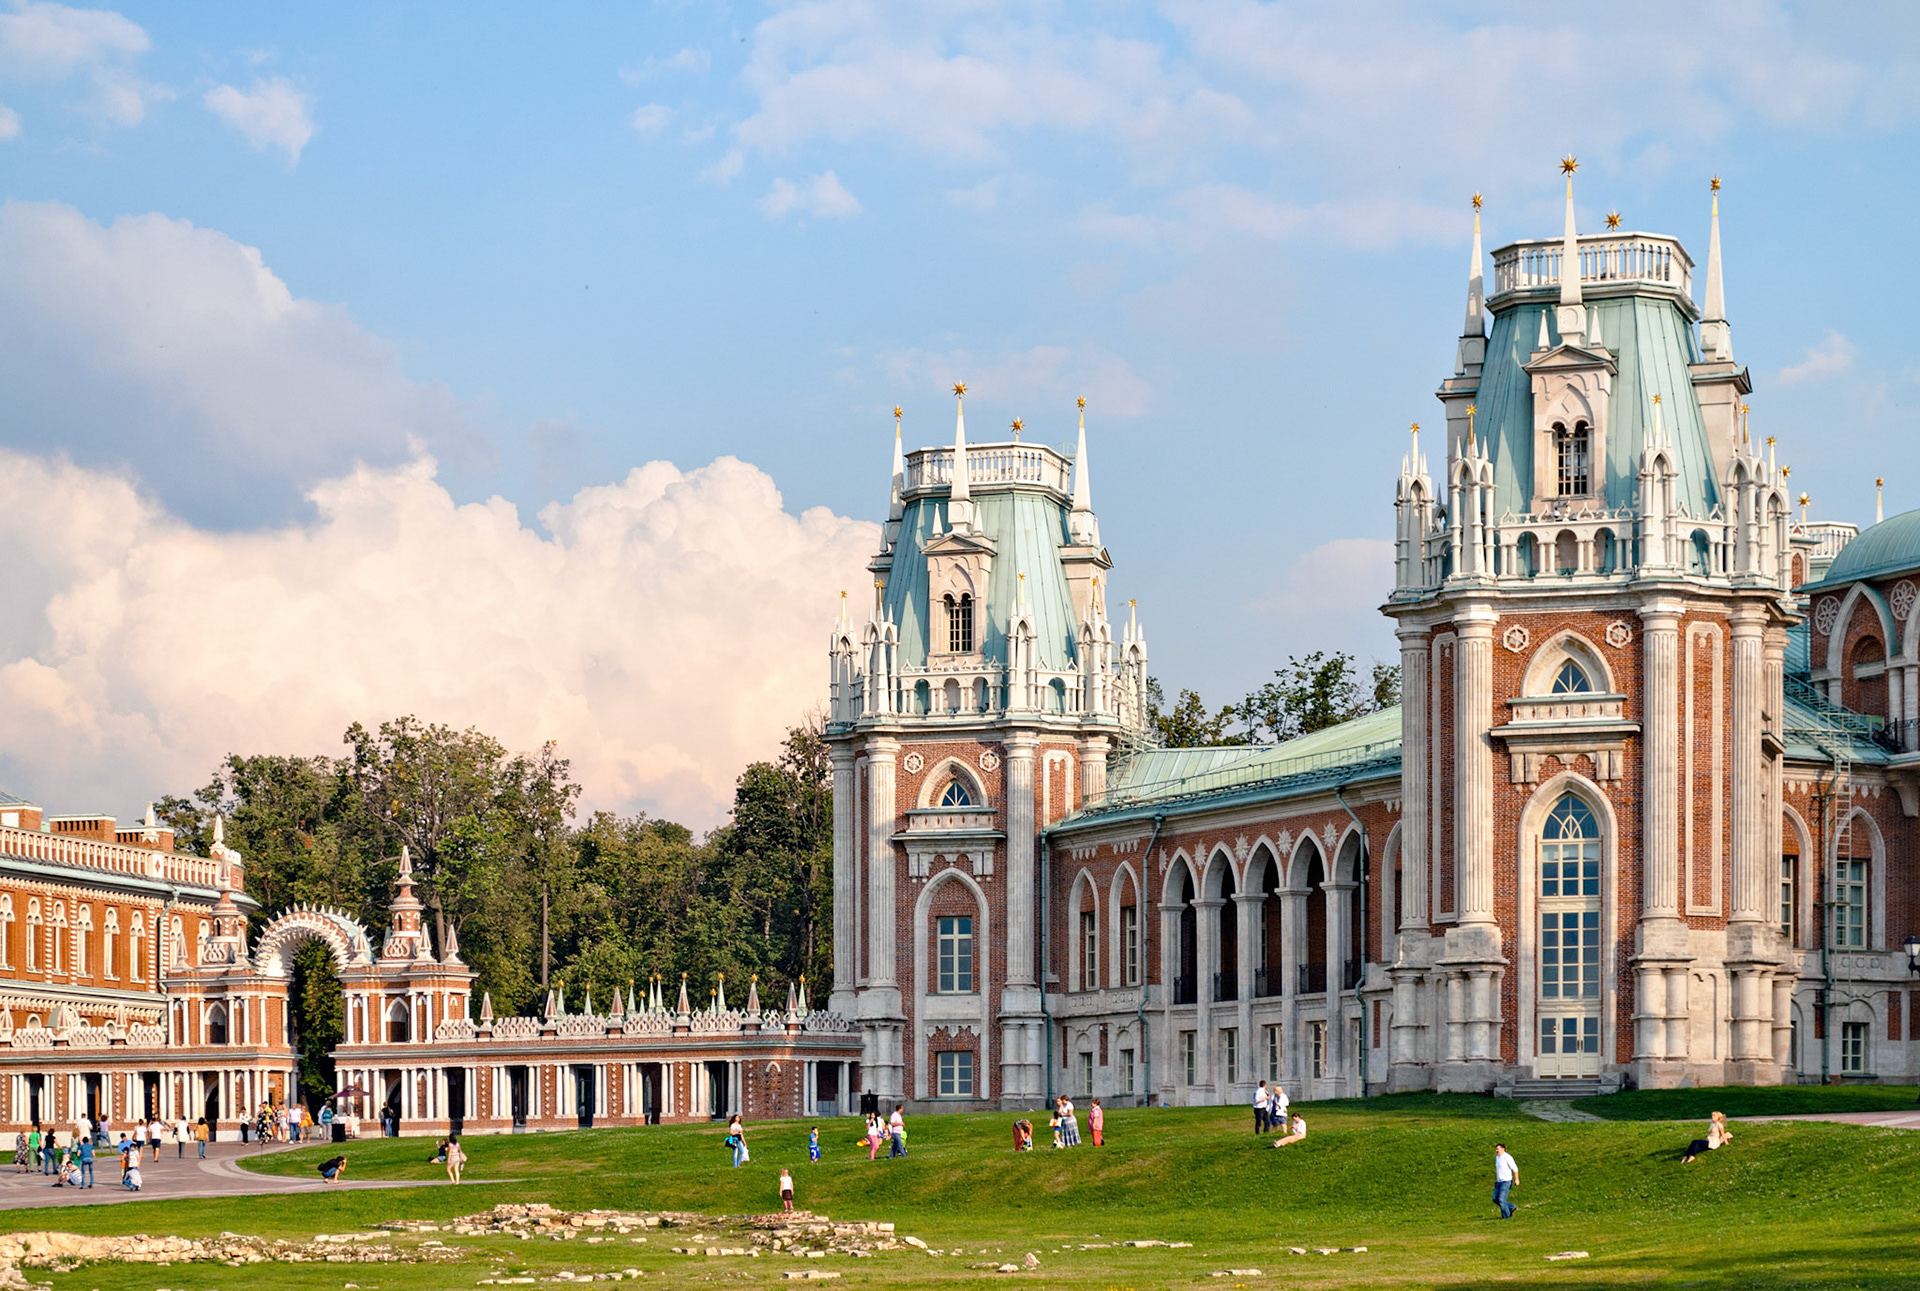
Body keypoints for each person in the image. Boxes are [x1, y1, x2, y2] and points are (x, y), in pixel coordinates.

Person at [1492, 1143, 1519, 1219]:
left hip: (1506, 1181)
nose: (1496, 1150)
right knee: (1495, 1199)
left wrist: (1516, 1179)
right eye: (1496, 1149)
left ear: (1503, 1149)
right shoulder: (1497, 1158)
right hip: (1499, 1182)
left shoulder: (1507, 1157)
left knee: (1501, 1199)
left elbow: (1515, 1169)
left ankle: (1507, 1217)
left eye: (1498, 1149)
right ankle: (1511, 1206)